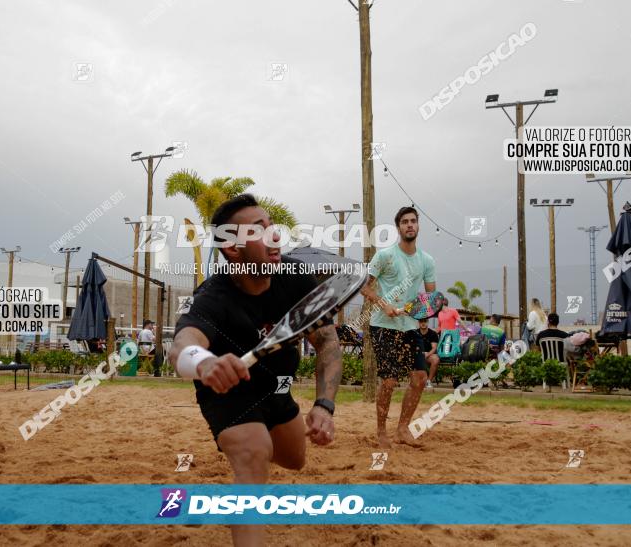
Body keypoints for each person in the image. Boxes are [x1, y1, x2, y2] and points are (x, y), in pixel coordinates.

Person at [168, 194, 342, 547]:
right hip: (229, 394)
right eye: (259, 229)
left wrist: (324, 405)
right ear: (232, 249)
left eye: (271, 226)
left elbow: (327, 342)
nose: (274, 235)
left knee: (295, 460)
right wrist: (205, 362)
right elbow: (180, 345)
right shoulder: (214, 296)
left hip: (277, 390)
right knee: (253, 455)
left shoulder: (293, 279)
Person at [360, 206, 436, 448]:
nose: (410, 225)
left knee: (420, 377)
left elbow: (430, 297)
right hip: (383, 325)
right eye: (405, 222)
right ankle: (382, 431)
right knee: (390, 381)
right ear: (398, 227)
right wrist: (384, 306)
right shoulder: (384, 256)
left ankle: (403, 428)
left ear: (418, 226)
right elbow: (365, 287)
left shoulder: (426, 260)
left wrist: (421, 308)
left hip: (409, 327)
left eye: (413, 221)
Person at [417, 319, 440, 389]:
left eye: (425, 321)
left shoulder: (433, 334)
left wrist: (427, 354)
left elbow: (434, 348)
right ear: (418, 323)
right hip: (418, 354)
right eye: (421, 321)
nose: (423, 323)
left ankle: (429, 381)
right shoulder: (414, 333)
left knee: (435, 359)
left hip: (429, 354)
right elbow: (413, 346)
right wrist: (420, 354)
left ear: (428, 322)